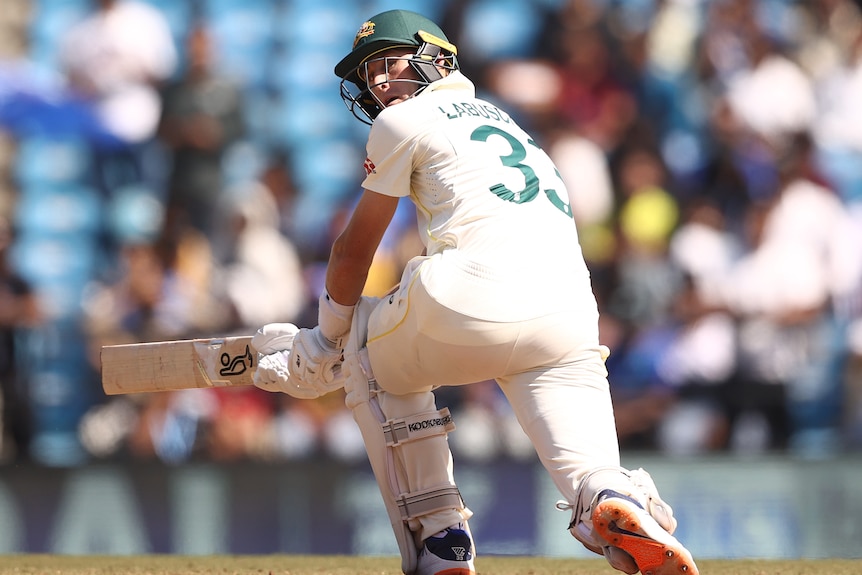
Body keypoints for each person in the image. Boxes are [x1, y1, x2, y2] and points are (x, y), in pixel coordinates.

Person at [251, 10, 700, 575]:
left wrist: (324, 343)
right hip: (570, 311)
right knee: (591, 468)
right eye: (369, 77)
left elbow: (352, 251)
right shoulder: (510, 124)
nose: (378, 85)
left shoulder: (403, 120)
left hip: (472, 294)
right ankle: (616, 499)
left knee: (362, 347)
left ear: (437, 59)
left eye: (387, 65)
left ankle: (442, 541)